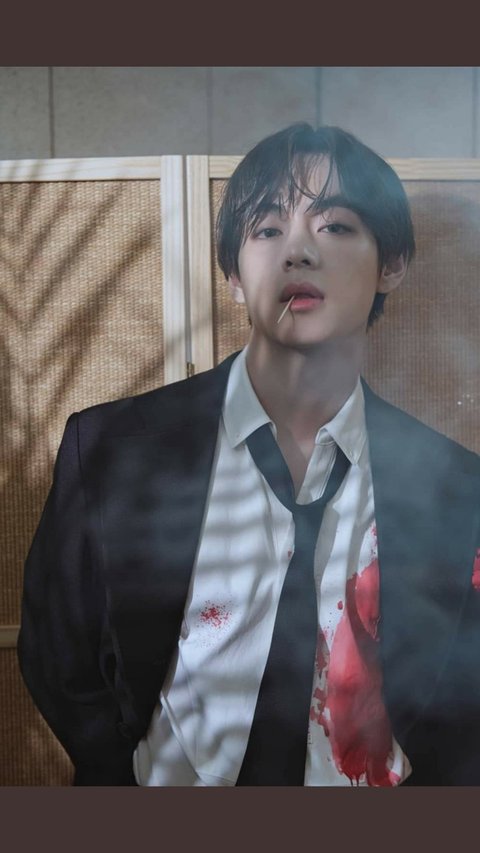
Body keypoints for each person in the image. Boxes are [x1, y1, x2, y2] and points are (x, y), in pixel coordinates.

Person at [18, 123, 480, 786]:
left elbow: (460, 704)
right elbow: (57, 656)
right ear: (234, 274)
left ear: (392, 264)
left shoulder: (456, 486)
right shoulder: (113, 451)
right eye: (267, 229)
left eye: (335, 226)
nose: (298, 251)